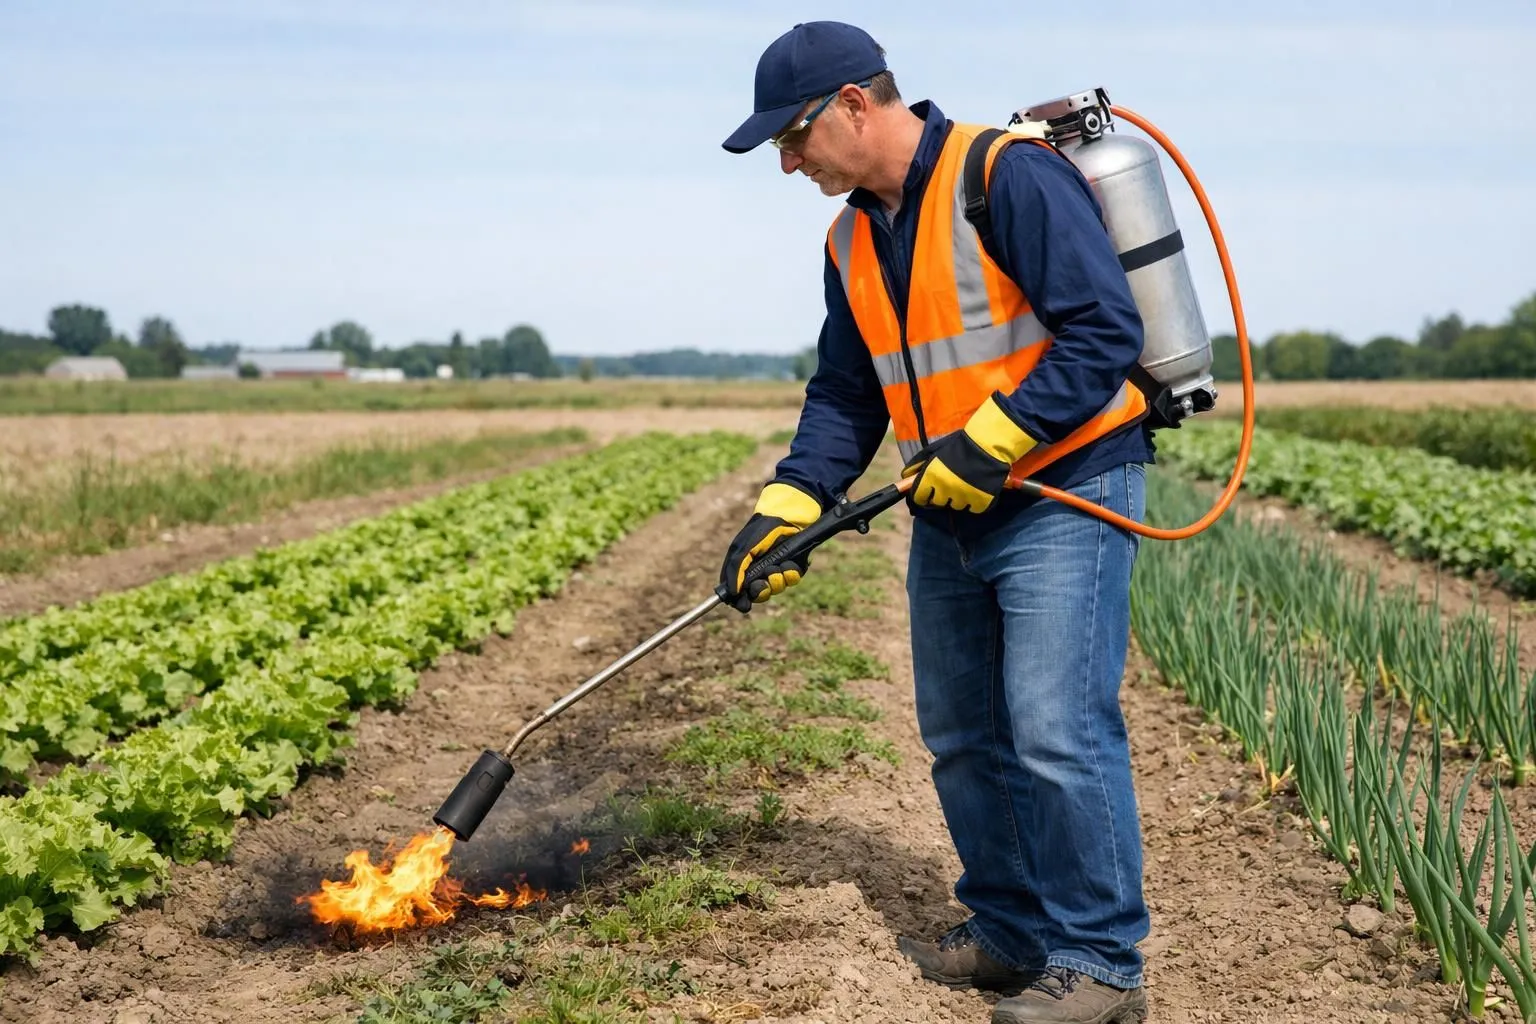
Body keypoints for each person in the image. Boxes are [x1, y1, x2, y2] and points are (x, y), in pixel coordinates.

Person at [716, 20, 1154, 1024]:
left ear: (856, 106)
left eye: (792, 139)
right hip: (953, 505)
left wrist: (993, 439)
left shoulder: (1007, 177)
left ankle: (1102, 963)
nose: (787, 165)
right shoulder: (850, 237)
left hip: (1063, 491)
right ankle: (1011, 933)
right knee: (962, 735)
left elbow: (1103, 335)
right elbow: (845, 394)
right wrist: (786, 508)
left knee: (1056, 731)